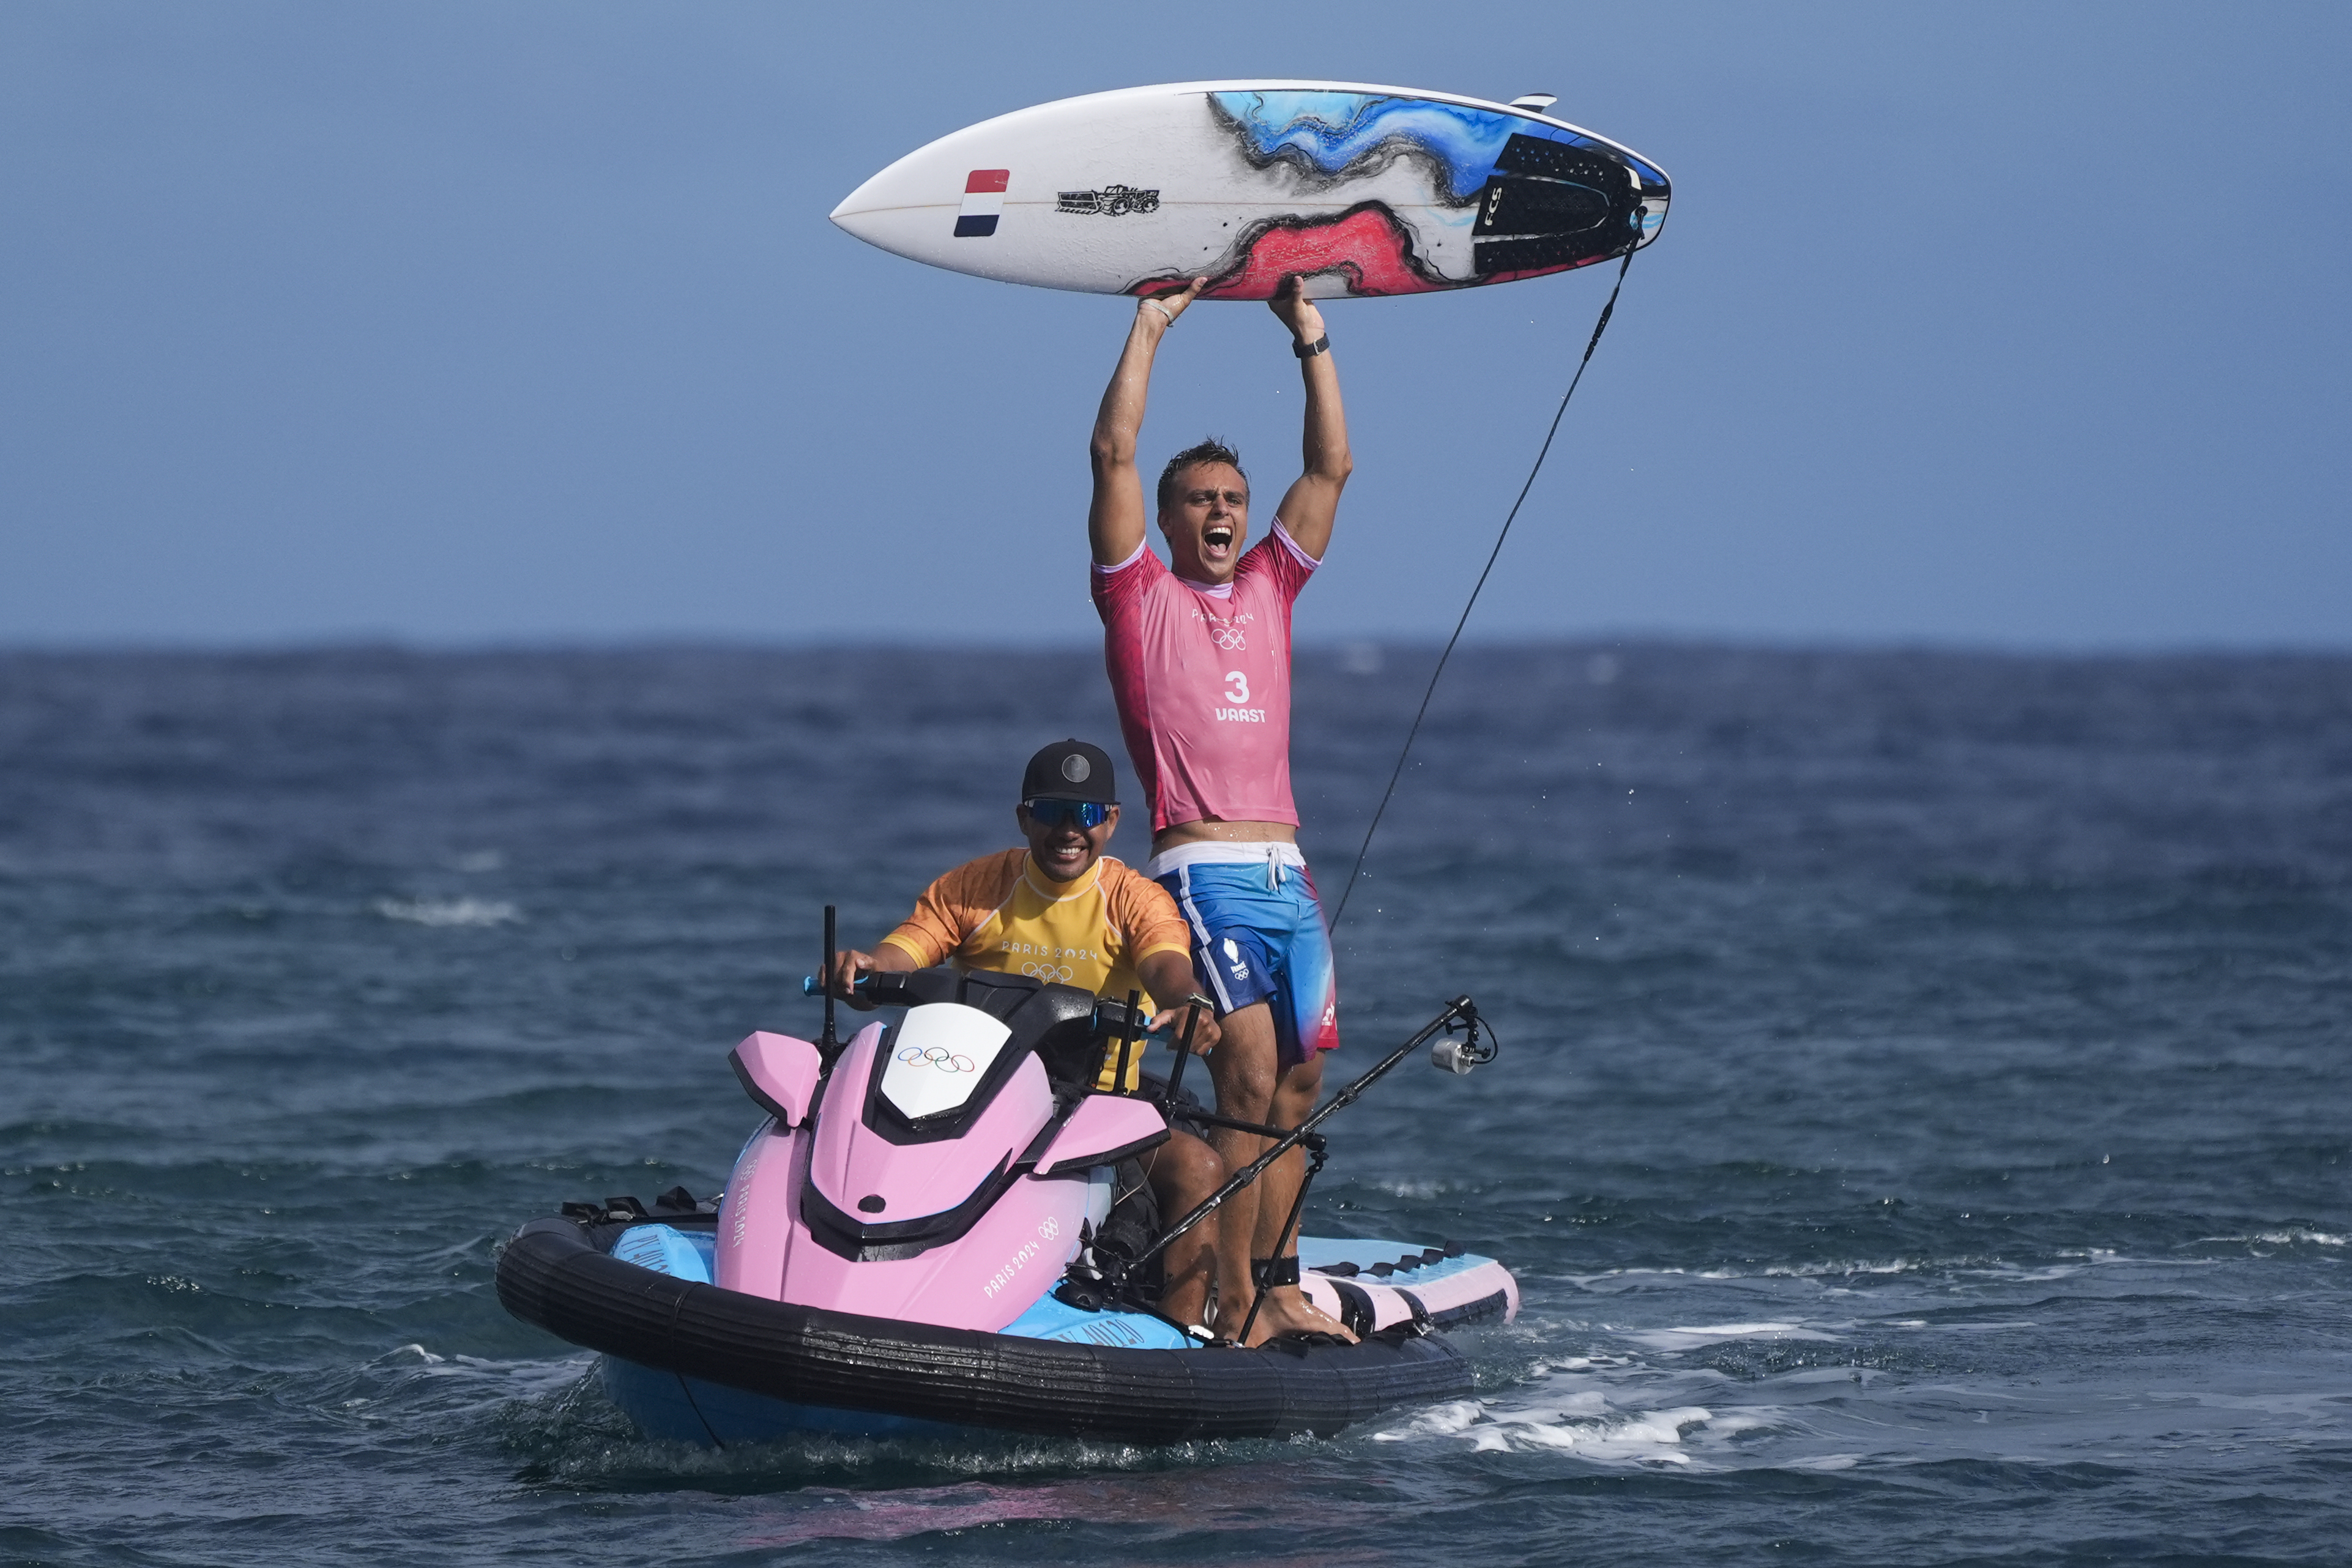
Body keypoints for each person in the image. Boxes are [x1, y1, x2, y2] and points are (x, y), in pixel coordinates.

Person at [1085, 273, 1356, 1345]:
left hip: (1289, 875)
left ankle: (1279, 1283)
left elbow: (1330, 467)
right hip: (1202, 873)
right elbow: (1111, 452)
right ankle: (1234, 1302)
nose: (1221, 513)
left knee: (1297, 1080)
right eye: (1199, 500)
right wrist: (1149, 326)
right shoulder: (1135, 596)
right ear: (1167, 518)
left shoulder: (1269, 587)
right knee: (1240, 1069)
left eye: (1232, 500)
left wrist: (1309, 335)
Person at [824, 738, 1227, 1332]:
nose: (1069, 830)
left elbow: (1168, 967)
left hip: (1098, 1108)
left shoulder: (1135, 900)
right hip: (972, 1098)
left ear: (1112, 821)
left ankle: (1181, 1338)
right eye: (1051, 812)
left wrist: (1188, 1003)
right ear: (1023, 817)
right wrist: (864, 971)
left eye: (1086, 814)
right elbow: (900, 955)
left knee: (1199, 1167)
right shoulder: (973, 887)